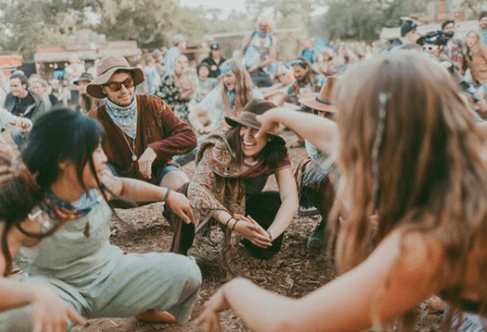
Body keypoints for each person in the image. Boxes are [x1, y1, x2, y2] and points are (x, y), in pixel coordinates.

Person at [197, 52, 487, 332]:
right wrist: (280, 114)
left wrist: (234, 290)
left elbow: (289, 322)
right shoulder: (465, 144)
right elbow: (334, 137)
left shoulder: (432, 235)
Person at [0, 108, 201, 332]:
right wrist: (33, 293)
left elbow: (124, 186)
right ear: (64, 161)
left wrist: (167, 194)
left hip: (109, 273)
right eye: (96, 150)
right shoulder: (22, 211)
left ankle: (143, 306)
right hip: (56, 289)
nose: (104, 158)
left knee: (186, 273)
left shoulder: (99, 181)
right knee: (9, 320)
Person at [167, 98, 298, 259]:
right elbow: (199, 189)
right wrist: (233, 224)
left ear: (269, 137)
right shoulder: (219, 145)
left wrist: (270, 234)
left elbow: (290, 198)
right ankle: (178, 256)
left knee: (273, 203)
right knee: (186, 191)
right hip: (210, 204)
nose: (247, 136)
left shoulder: (275, 152)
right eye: (244, 127)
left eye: (257, 129)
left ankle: (253, 241)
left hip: (241, 206)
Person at [86, 55, 196, 191]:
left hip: (158, 174)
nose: (124, 90)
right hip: (119, 183)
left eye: (128, 82)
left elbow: (189, 137)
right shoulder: (94, 117)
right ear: (103, 89)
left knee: (183, 185)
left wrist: (155, 149)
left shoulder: (153, 104)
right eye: (115, 86)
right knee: (100, 174)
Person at [295, 76, 338, 248]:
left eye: (330, 112)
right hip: (334, 171)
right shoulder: (313, 132)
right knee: (310, 171)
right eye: (321, 111)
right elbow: (329, 170)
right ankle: (329, 222)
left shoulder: (361, 128)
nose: (324, 116)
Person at [188, 59, 263, 135]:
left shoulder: (254, 94)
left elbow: (261, 120)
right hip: (219, 137)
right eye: (223, 76)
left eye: (228, 75)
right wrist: (201, 129)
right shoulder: (218, 92)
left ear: (239, 75)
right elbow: (192, 114)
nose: (225, 80)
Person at [239, 15, 277, 88]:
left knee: (269, 90)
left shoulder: (271, 39)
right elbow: (240, 50)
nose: (262, 27)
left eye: (265, 25)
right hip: (248, 69)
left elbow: (271, 57)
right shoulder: (251, 35)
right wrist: (241, 66)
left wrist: (258, 66)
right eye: (260, 25)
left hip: (263, 70)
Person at [156, 54, 195, 123]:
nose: (182, 65)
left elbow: (188, 98)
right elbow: (177, 97)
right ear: (175, 64)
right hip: (167, 108)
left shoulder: (186, 78)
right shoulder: (169, 78)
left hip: (181, 108)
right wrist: (191, 90)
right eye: (179, 62)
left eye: (184, 62)